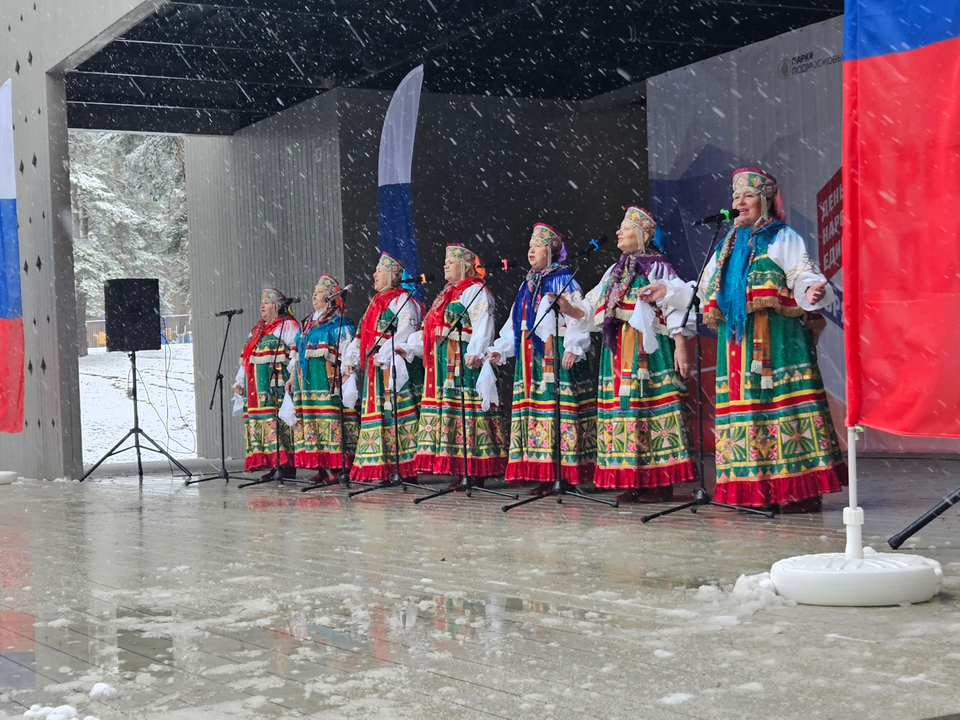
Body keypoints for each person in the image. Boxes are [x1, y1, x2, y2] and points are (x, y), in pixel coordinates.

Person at [647, 167, 846, 511]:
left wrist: (812, 290)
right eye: (736, 196)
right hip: (736, 346)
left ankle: (797, 491)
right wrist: (670, 290)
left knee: (782, 411)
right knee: (748, 414)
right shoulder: (726, 246)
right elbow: (705, 290)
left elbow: (801, 273)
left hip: (778, 343)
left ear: (766, 202)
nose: (739, 202)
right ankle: (757, 490)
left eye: (748, 196)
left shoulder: (782, 237)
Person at [580, 206, 698, 502]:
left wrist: (680, 345)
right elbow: (590, 304)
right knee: (627, 411)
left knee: (648, 408)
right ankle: (635, 479)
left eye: (626, 228)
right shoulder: (615, 272)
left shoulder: (657, 266)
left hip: (649, 352)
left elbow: (675, 307)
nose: (619, 232)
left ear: (644, 234)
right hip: (619, 351)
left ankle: (659, 482)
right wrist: (566, 307)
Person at [486, 223, 596, 493]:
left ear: (551, 249)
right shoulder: (528, 284)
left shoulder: (563, 279)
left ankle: (566, 474)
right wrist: (502, 348)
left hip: (555, 355)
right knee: (538, 412)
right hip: (530, 360)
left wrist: (574, 346)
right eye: (529, 245)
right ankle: (546, 474)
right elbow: (517, 322)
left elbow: (576, 315)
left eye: (536, 245)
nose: (530, 250)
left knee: (558, 410)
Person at [411, 243, 506, 485]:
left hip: (465, 361)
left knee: (469, 412)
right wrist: (413, 346)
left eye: (450, 262)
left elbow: (483, 321)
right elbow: (430, 327)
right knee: (453, 411)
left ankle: (476, 469)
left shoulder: (476, 290)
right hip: (445, 365)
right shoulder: (446, 294)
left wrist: (476, 350)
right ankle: (460, 467)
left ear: (465, 267)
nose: (445, 265)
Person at [341, 252, 424, 482]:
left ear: (392, 275)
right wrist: (351, 359)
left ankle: (406, 469)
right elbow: (360, 336)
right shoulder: (374, 305)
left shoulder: (404, 301)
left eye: (379, 271)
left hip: (394, 369)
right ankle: (385, 468)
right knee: (382, 417)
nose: (374, 275)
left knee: (397, 415)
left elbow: (407, 331)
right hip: (375, 373)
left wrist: (385, 353)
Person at [284, 274, 358, 483]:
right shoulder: (308, 323)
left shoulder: (338, 322)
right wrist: (291, 377)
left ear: (329, 297)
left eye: (318, 292)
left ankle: (337, 467)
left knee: (330, 421)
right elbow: (297, 352)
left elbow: (347, 349)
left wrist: (346, 374)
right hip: (306, 384)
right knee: (312, 422)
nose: (314, 295)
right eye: (314, 292)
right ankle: (322, 466)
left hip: (326, 383)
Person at [233, 287, 300, 478]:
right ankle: (273, 463)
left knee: (277, 422)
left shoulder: (288, 326)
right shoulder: (258, 330)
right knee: (262, 422)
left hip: (277, 385)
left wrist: (293, 375)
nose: (262, 306)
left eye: (267, 302)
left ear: (278, 306)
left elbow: (295, 353)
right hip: (257, 387)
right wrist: (240, 381)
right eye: (262, 302)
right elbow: (247, 357)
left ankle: (286, 465)